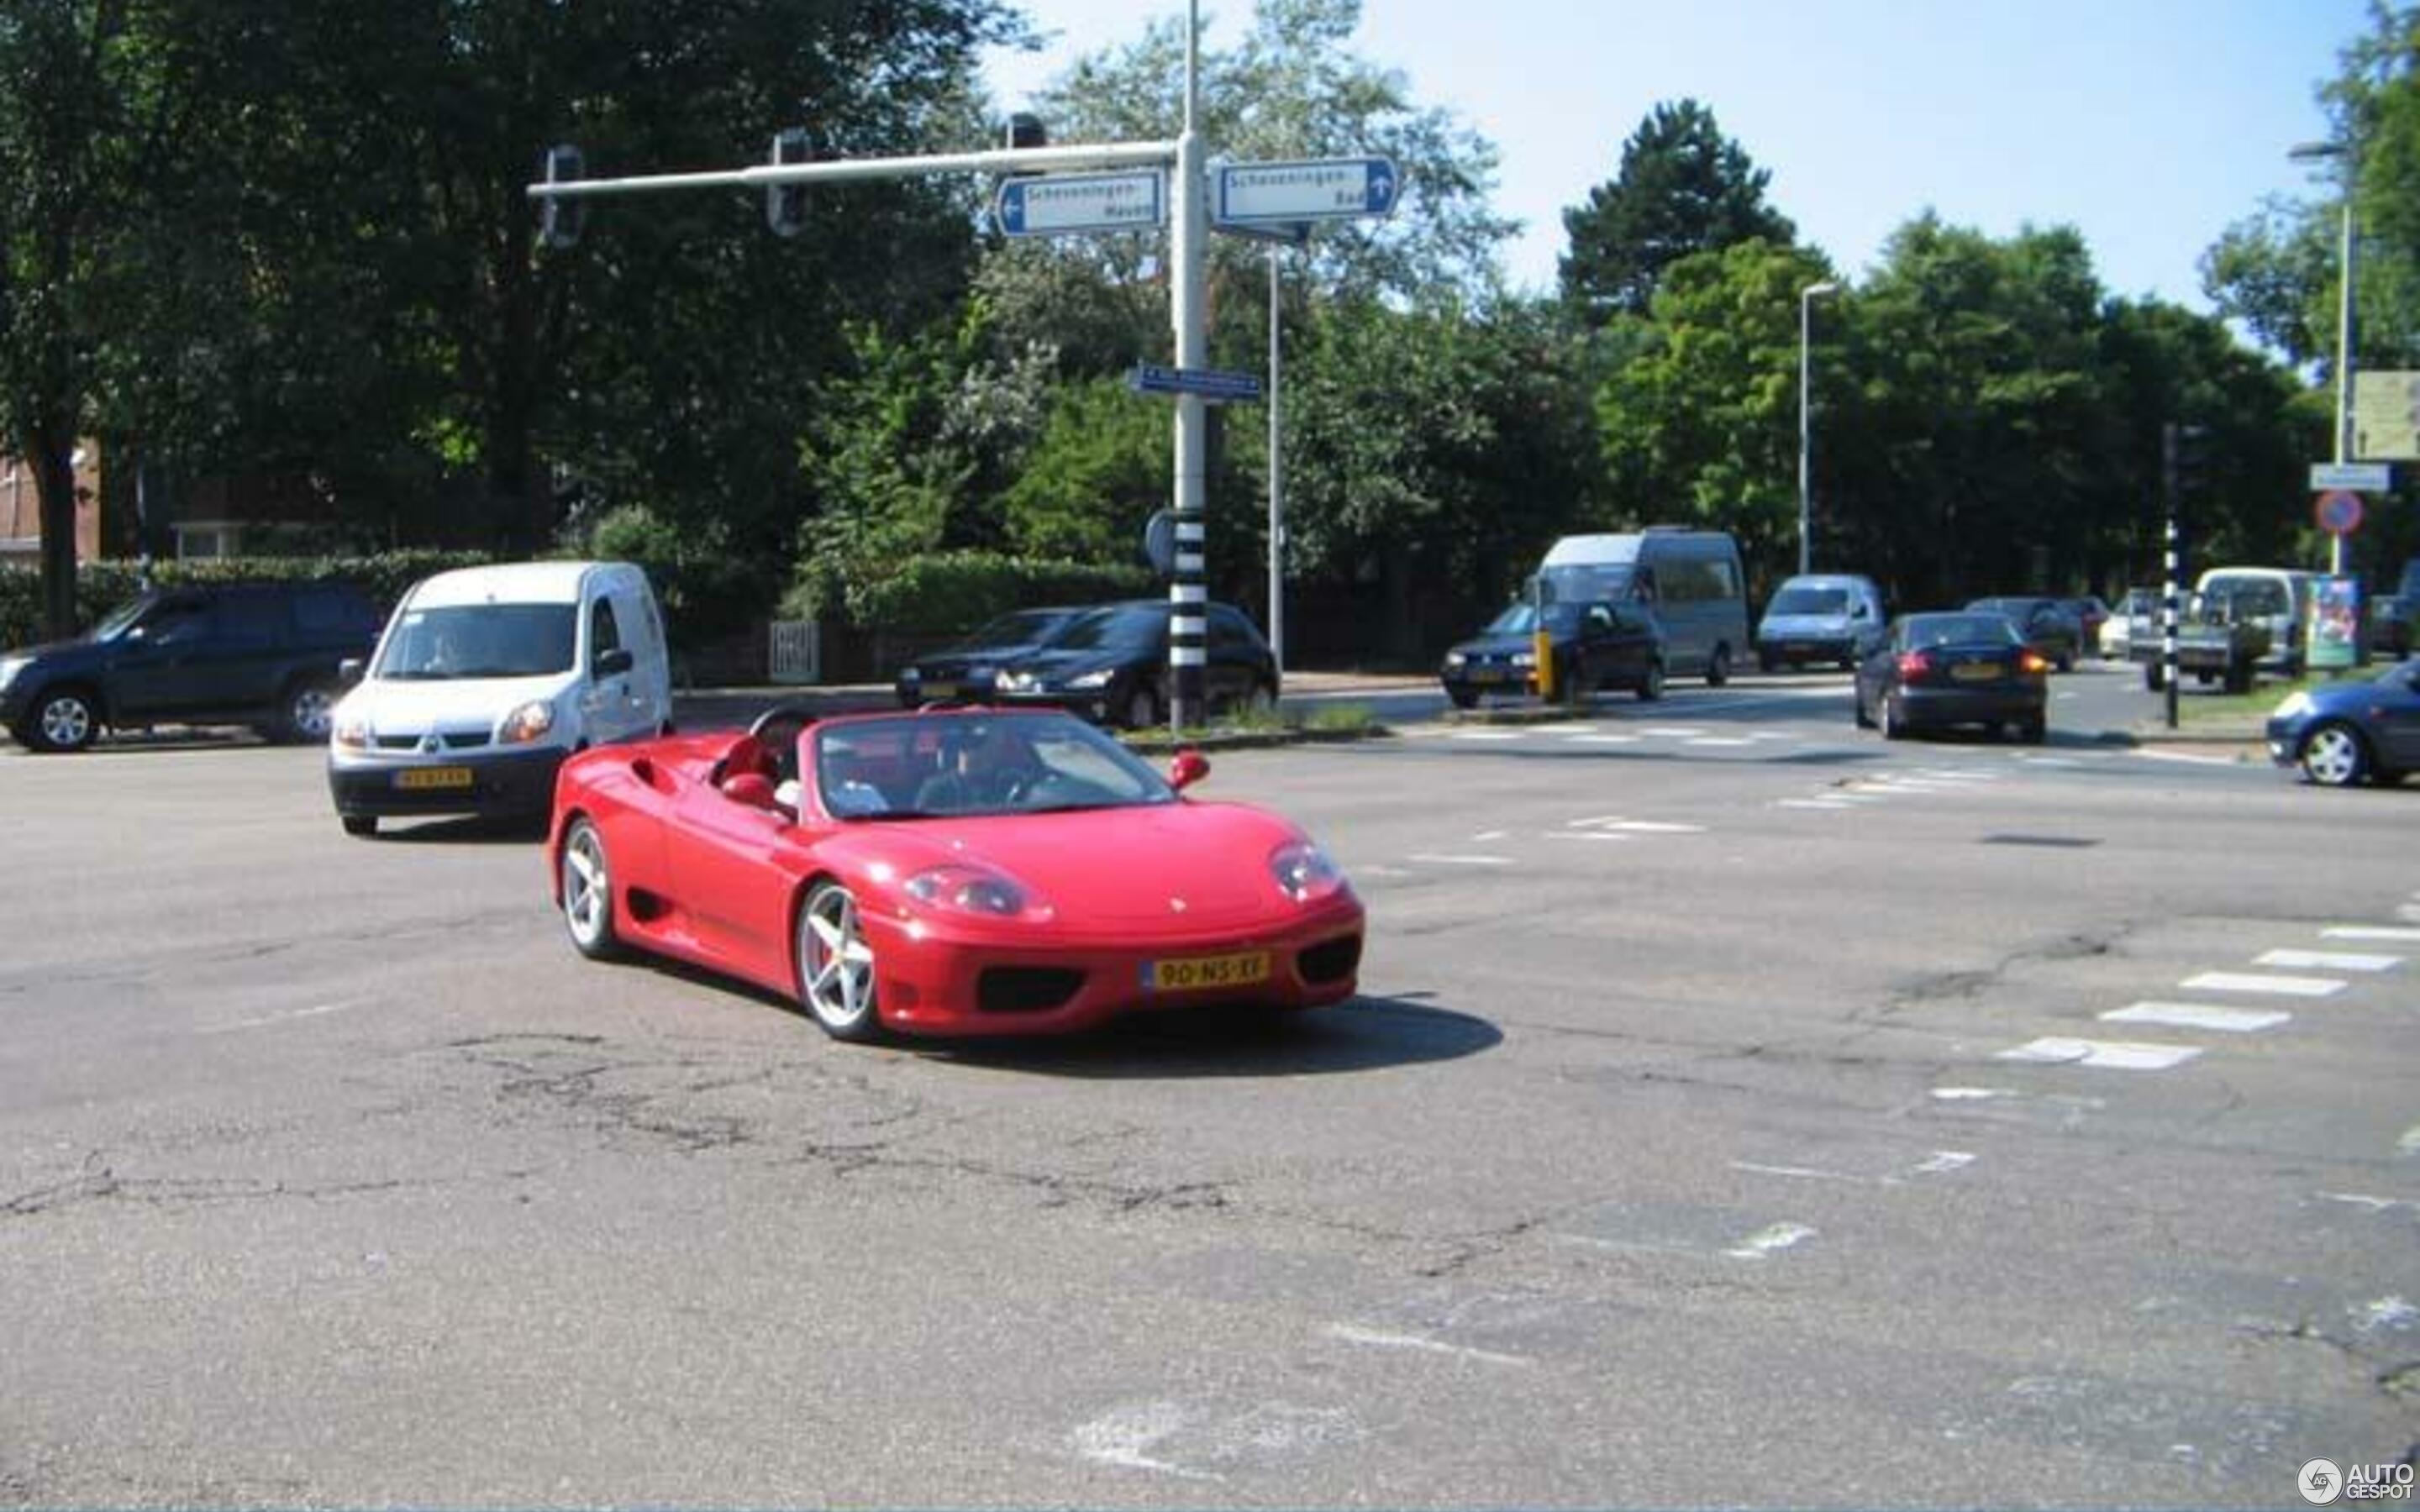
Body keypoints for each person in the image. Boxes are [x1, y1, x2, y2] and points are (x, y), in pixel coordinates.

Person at [913, 721, 1039, 813]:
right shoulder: (937, 789)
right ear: (960, 748)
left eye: (994, 744)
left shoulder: (1012, 783)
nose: (972, 752)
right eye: (971, 745)